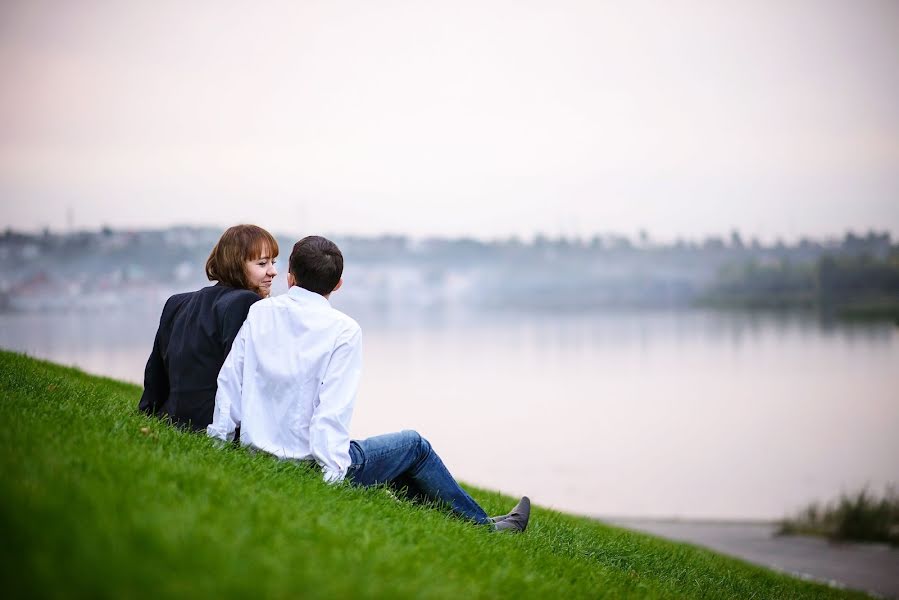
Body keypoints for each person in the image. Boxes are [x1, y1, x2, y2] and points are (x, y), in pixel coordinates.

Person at [207, 235, 530, 532]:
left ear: (290, 275)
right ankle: (488, 529)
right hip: (311, 466)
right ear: (339, 284)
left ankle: (466, 522)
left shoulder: (261, 313)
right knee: (413, 446)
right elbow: (331, 412)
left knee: (396, 456)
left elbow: (230, 385)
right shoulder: (343, 330)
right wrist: (331, 480)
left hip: (258, 455)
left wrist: (218, 446)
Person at [139, 224, 279, 431]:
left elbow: (155, 377)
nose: (273, 271)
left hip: (170, 420)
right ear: (237, 264)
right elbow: (248, 381)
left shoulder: (176, 302)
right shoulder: (246, 302)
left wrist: (147, 415)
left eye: (273, 262)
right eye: (262, 263)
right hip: (212, 427)